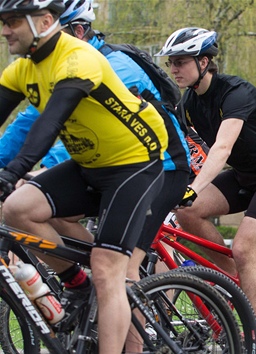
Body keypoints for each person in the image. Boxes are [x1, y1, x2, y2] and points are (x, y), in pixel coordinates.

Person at [0, 0, 168, 352]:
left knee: (107, 269)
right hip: (90, 164)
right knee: (16, 209)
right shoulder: (22, 70)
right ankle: (76, 285)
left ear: (46, 21)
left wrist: (12, 172)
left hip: (135, 164)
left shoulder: (78, 59)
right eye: (3, 22)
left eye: (13, 21)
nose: (4, 30)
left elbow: (51, 123)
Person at [155, 27, 256, 328]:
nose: (173, 68)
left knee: (244, 247)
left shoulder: (237, 93)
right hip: (243, 176)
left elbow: (222, 148)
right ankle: (236, 276)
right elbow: (178, 149)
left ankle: (252, 335)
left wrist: (193, 188)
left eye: (181, 61)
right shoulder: (189, 104)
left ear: (205, 61)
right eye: (171, 62)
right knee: (189, 211)